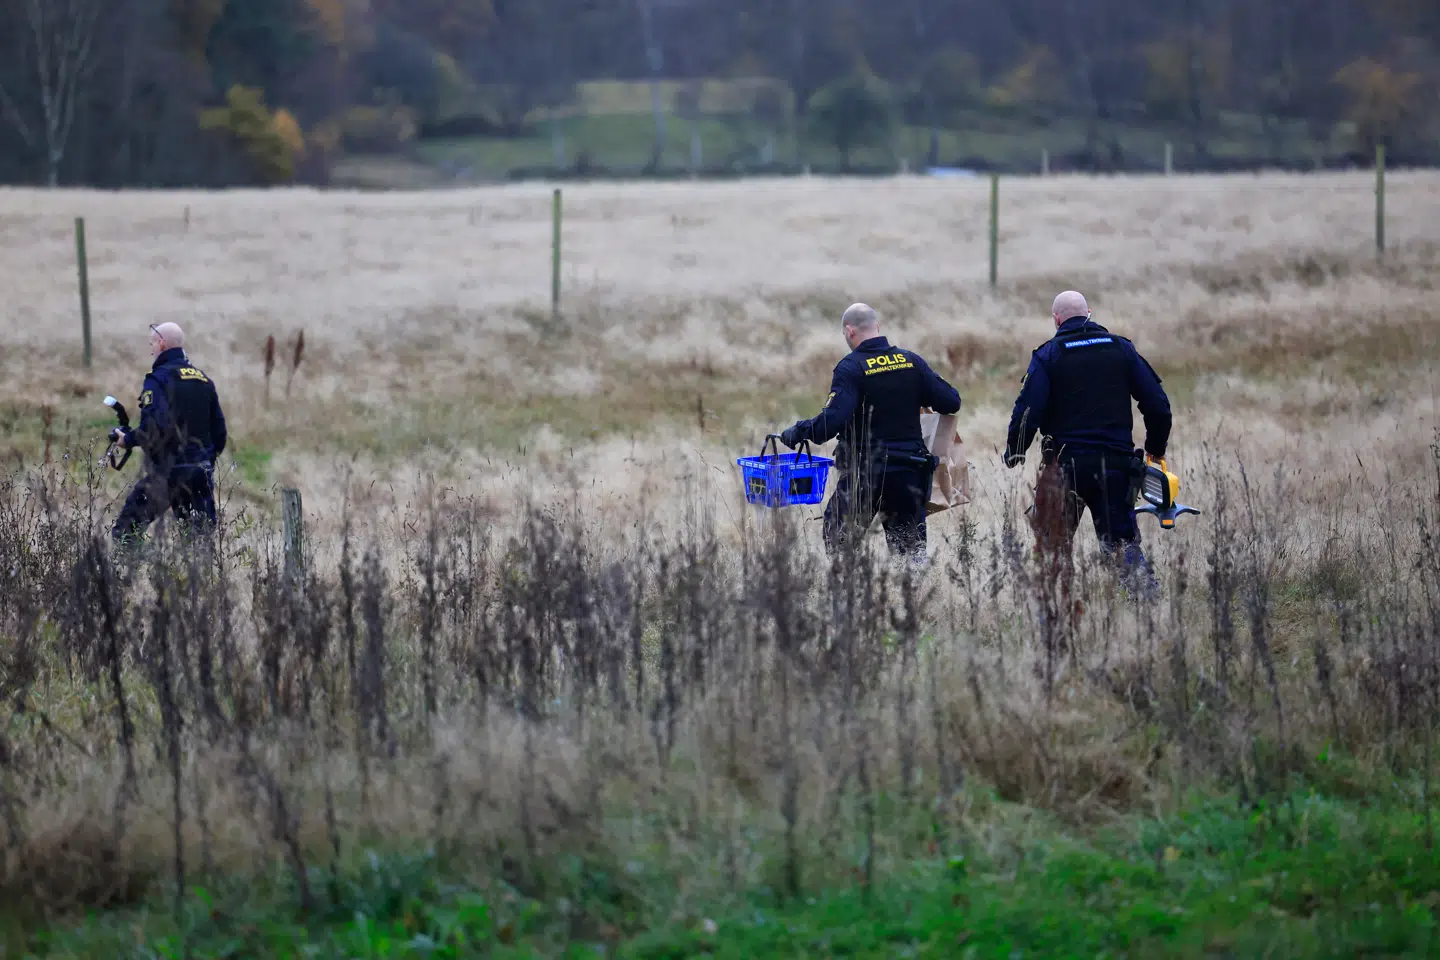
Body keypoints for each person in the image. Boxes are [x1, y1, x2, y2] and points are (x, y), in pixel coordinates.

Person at [1003, 290, 1171, 593]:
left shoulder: (1049, 355)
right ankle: (1146, 607)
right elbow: (1158, 405)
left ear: (1056, 320)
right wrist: (1156, 449)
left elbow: (1028, 411)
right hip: (1116, 466)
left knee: (1053, 546)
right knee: (1121, 544)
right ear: (1089, 313)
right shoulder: (1121, 349)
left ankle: (1055, 614)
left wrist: (1015, 451)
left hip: (1065, 468)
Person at [779, 303, 961, 561]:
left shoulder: (851, 368)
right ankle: (913, 599)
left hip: (865, 475)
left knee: (839, 544)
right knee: (910, 557)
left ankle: (849, 596)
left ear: (850, 331)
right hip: (909, 474)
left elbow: (833, 421)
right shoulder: (911, 361)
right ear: (877, 327)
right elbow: (951, 402)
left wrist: (799, 431)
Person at [111, 322, 228, 545]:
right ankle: (202, 580)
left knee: (126, 531)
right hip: (200, 473)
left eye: (152, 344)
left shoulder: (158, 379)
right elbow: (220, 434)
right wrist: (204, 461)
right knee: (198, 542)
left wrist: (127, 439)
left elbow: (154, 427)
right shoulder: (204, 381)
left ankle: (127, 577)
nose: (151, 350)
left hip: (167, 474)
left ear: (162, 344)